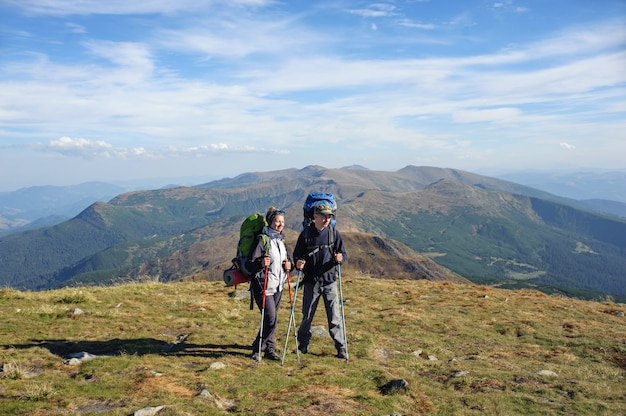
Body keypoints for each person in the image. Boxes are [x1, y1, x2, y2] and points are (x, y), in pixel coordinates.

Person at [293, 203, 348, 359]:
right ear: (315, 216)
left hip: (329, 280)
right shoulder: (305, 235)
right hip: (311, 281)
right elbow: (298, 255)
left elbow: (343, 253)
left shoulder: (334, 234)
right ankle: (303, 345)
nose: (326, 219)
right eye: (323, 216)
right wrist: (298, 263)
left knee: (334, 316)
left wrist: (341, 257)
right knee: (307, 315)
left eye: (329, 216)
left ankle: (341, 347)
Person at [246, 206, 293, 361]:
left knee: (270, 319)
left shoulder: (281, 240)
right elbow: (250, 265)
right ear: (270, 222)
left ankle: (269, 349)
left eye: (282, 221)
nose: (280, 224)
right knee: (271, 319)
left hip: (278, 286)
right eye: (277, 221)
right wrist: (260, 263)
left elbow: (286, 262)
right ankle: (257, 348)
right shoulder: (262, 240)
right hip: (263, 286)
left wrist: (289, 265)